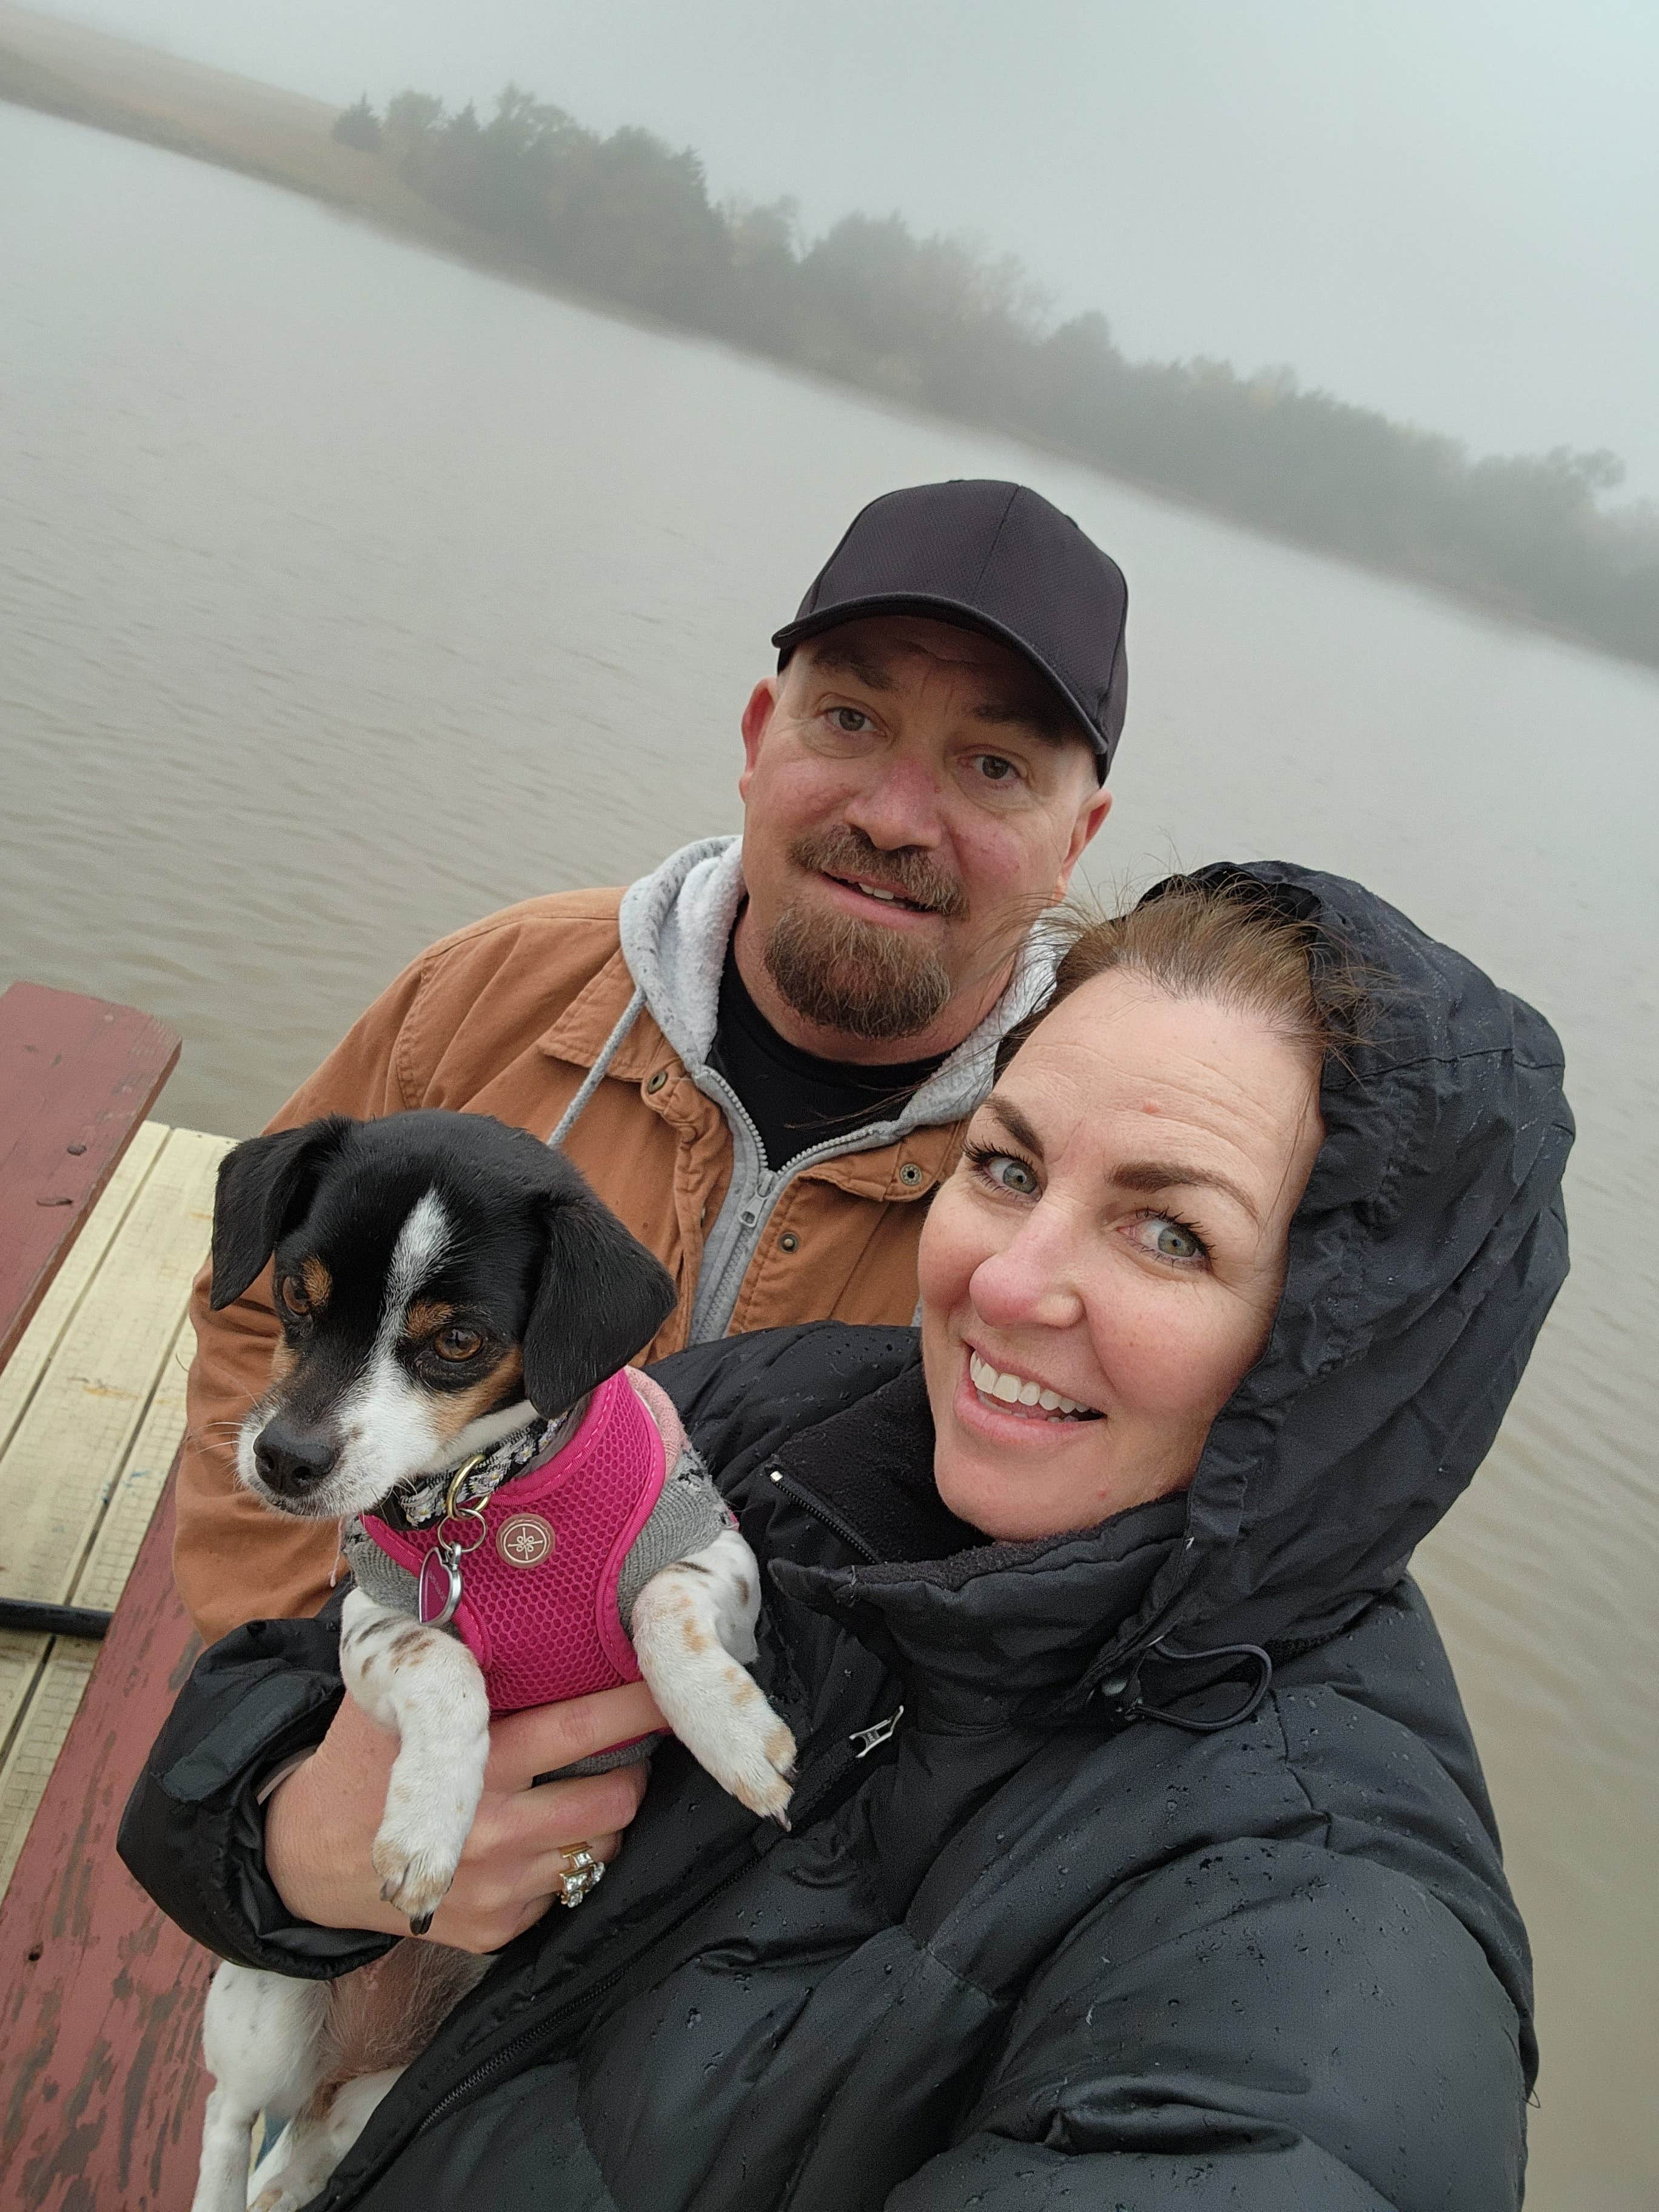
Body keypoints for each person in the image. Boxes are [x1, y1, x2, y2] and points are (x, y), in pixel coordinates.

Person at [124, 860, 1570, 2210]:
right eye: (1007, 1166)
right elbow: (245, 1716)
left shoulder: (1322, 1929)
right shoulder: (757, 1414)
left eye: (1169, 1233)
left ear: (1345, 1346)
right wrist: (291, 1841)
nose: (1010, 1284)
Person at [176, 477, 1125, 1644]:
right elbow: (252, 1322)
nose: (893, 815)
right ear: (755, 737)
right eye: (850, 721)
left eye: (993, 767)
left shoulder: (1112, 1158)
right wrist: (295, 1698)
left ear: (1077, 838)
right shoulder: (488, 994)